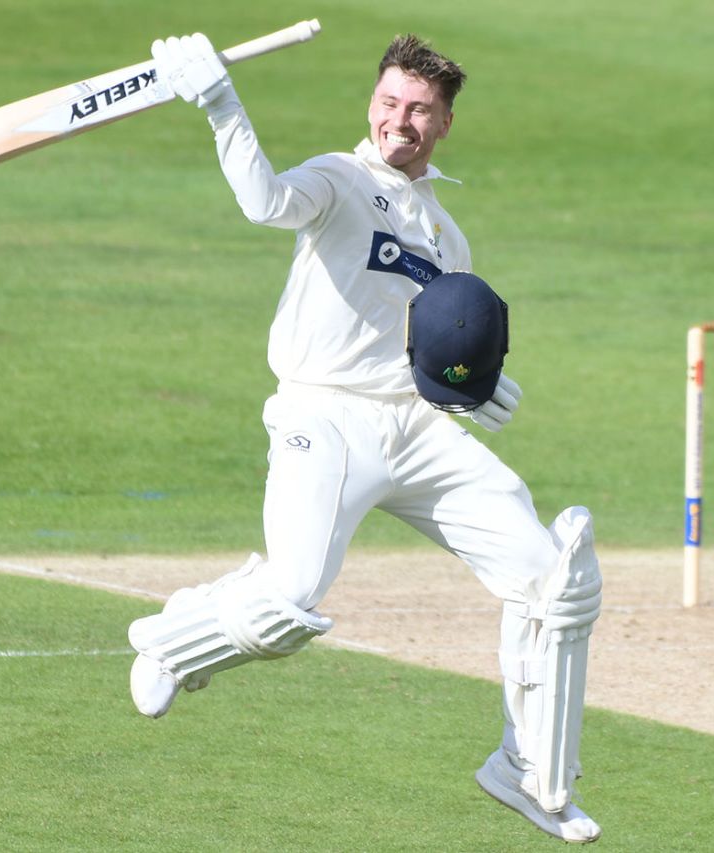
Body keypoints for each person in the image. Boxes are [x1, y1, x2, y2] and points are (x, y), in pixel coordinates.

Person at [126, 32, 604, 844]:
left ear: (444, 122)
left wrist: (468, 389)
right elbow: (265, 203)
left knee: (552, 579)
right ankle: (175, 638)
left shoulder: (449, 237)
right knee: (292, 597)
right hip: (326, 413)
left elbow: (426, 348)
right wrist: (221, 106)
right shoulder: (340, 179)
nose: (400, 120)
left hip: (414, 428)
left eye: (419, 110)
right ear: (371, 106)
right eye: (389, 103)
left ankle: (529, 772)